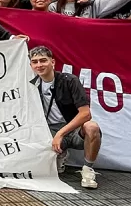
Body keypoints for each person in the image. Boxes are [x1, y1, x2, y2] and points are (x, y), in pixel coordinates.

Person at [29, 46, 101, 189]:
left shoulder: (70, 80)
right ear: (30, 65)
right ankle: (60, 155)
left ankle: (87, 170)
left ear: (53, 62)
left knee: (92, 127)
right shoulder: (31, 85)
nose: (39, 65)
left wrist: (61, 134)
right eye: (35, 62)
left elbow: (86, 114)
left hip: (72, 130)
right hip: (48, 131)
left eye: (43, 60)